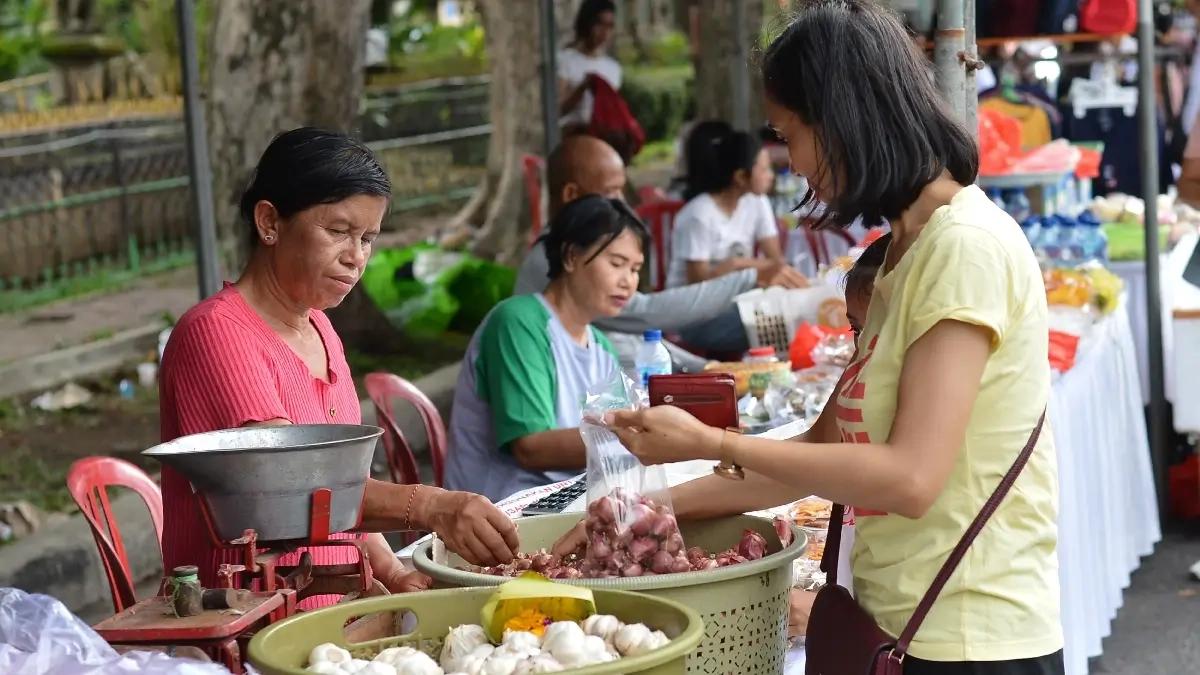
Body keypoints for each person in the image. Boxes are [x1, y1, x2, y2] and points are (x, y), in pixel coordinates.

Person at [574, 2, 1064, 672]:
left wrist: (709, 440)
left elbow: (912, 477)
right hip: (903, 626)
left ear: (841, 120)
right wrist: (637, 508)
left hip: (971, 641)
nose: (791, 161)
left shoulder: (964, 247)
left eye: (790, 133)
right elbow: (812, 450)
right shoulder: (903, 253)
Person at [158, 128, 518, 607]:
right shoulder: (218, 333)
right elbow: (295, 488)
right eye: (338, 232)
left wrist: (393, 572)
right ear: (269, 222)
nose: (356, 257)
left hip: (336, 611)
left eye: (367, 238)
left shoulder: (321, 330)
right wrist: (431, 506)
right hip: (255, 622)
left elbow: (345, 488)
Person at [515, 135, 806, 372]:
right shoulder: (549, 263)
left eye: (633, 269)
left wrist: (710, 369)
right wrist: (748, 277)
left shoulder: (580, 265)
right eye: (611, 191)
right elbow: (642, 314)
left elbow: (631, 341)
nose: (622, 205)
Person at [445, 196, 648, 502]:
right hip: (503, 509)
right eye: (617, 263)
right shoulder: (518, 323)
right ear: (570, 257)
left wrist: (636, 434)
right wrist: (640, 436)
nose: (628, 281)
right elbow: (532, 448)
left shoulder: (602, 348)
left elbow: (609, 440)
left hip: (568, 500)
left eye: (635, 269)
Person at [665, 127, 785, 290]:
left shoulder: (758, 201)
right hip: (691, 304)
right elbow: (697, 284)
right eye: (764, 169)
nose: (771, 176)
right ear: (740, 177)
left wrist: (736, 264)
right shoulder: (699, 216)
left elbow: (776, 261)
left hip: (730, 295)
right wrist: (744, 265)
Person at [558, 0, 620, 133]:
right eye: (599, 24)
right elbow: (557, 110)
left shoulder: (613, 68)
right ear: (587, 23)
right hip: (572, 136)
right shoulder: (566, 60)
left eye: (609, 26)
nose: (604, 32)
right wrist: (582, 88)